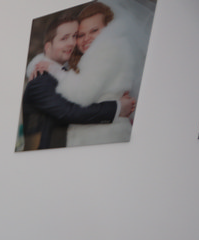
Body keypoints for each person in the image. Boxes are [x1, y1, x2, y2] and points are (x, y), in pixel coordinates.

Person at [21, 11, 133, 151]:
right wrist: (117, 107)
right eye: (64, 38)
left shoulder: (73, 71)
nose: (71, 43)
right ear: (48, 47)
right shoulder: (41, 80)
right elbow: (69, 112)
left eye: (74, 36)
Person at [53, 1, 152, 147]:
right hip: (94, 135)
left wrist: (53, 70)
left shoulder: (109, 50)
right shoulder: (89, 59)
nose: (86, 38)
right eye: (81, 35)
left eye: (94, 31)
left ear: (109, 29)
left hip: (105, 136)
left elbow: (80, 96)